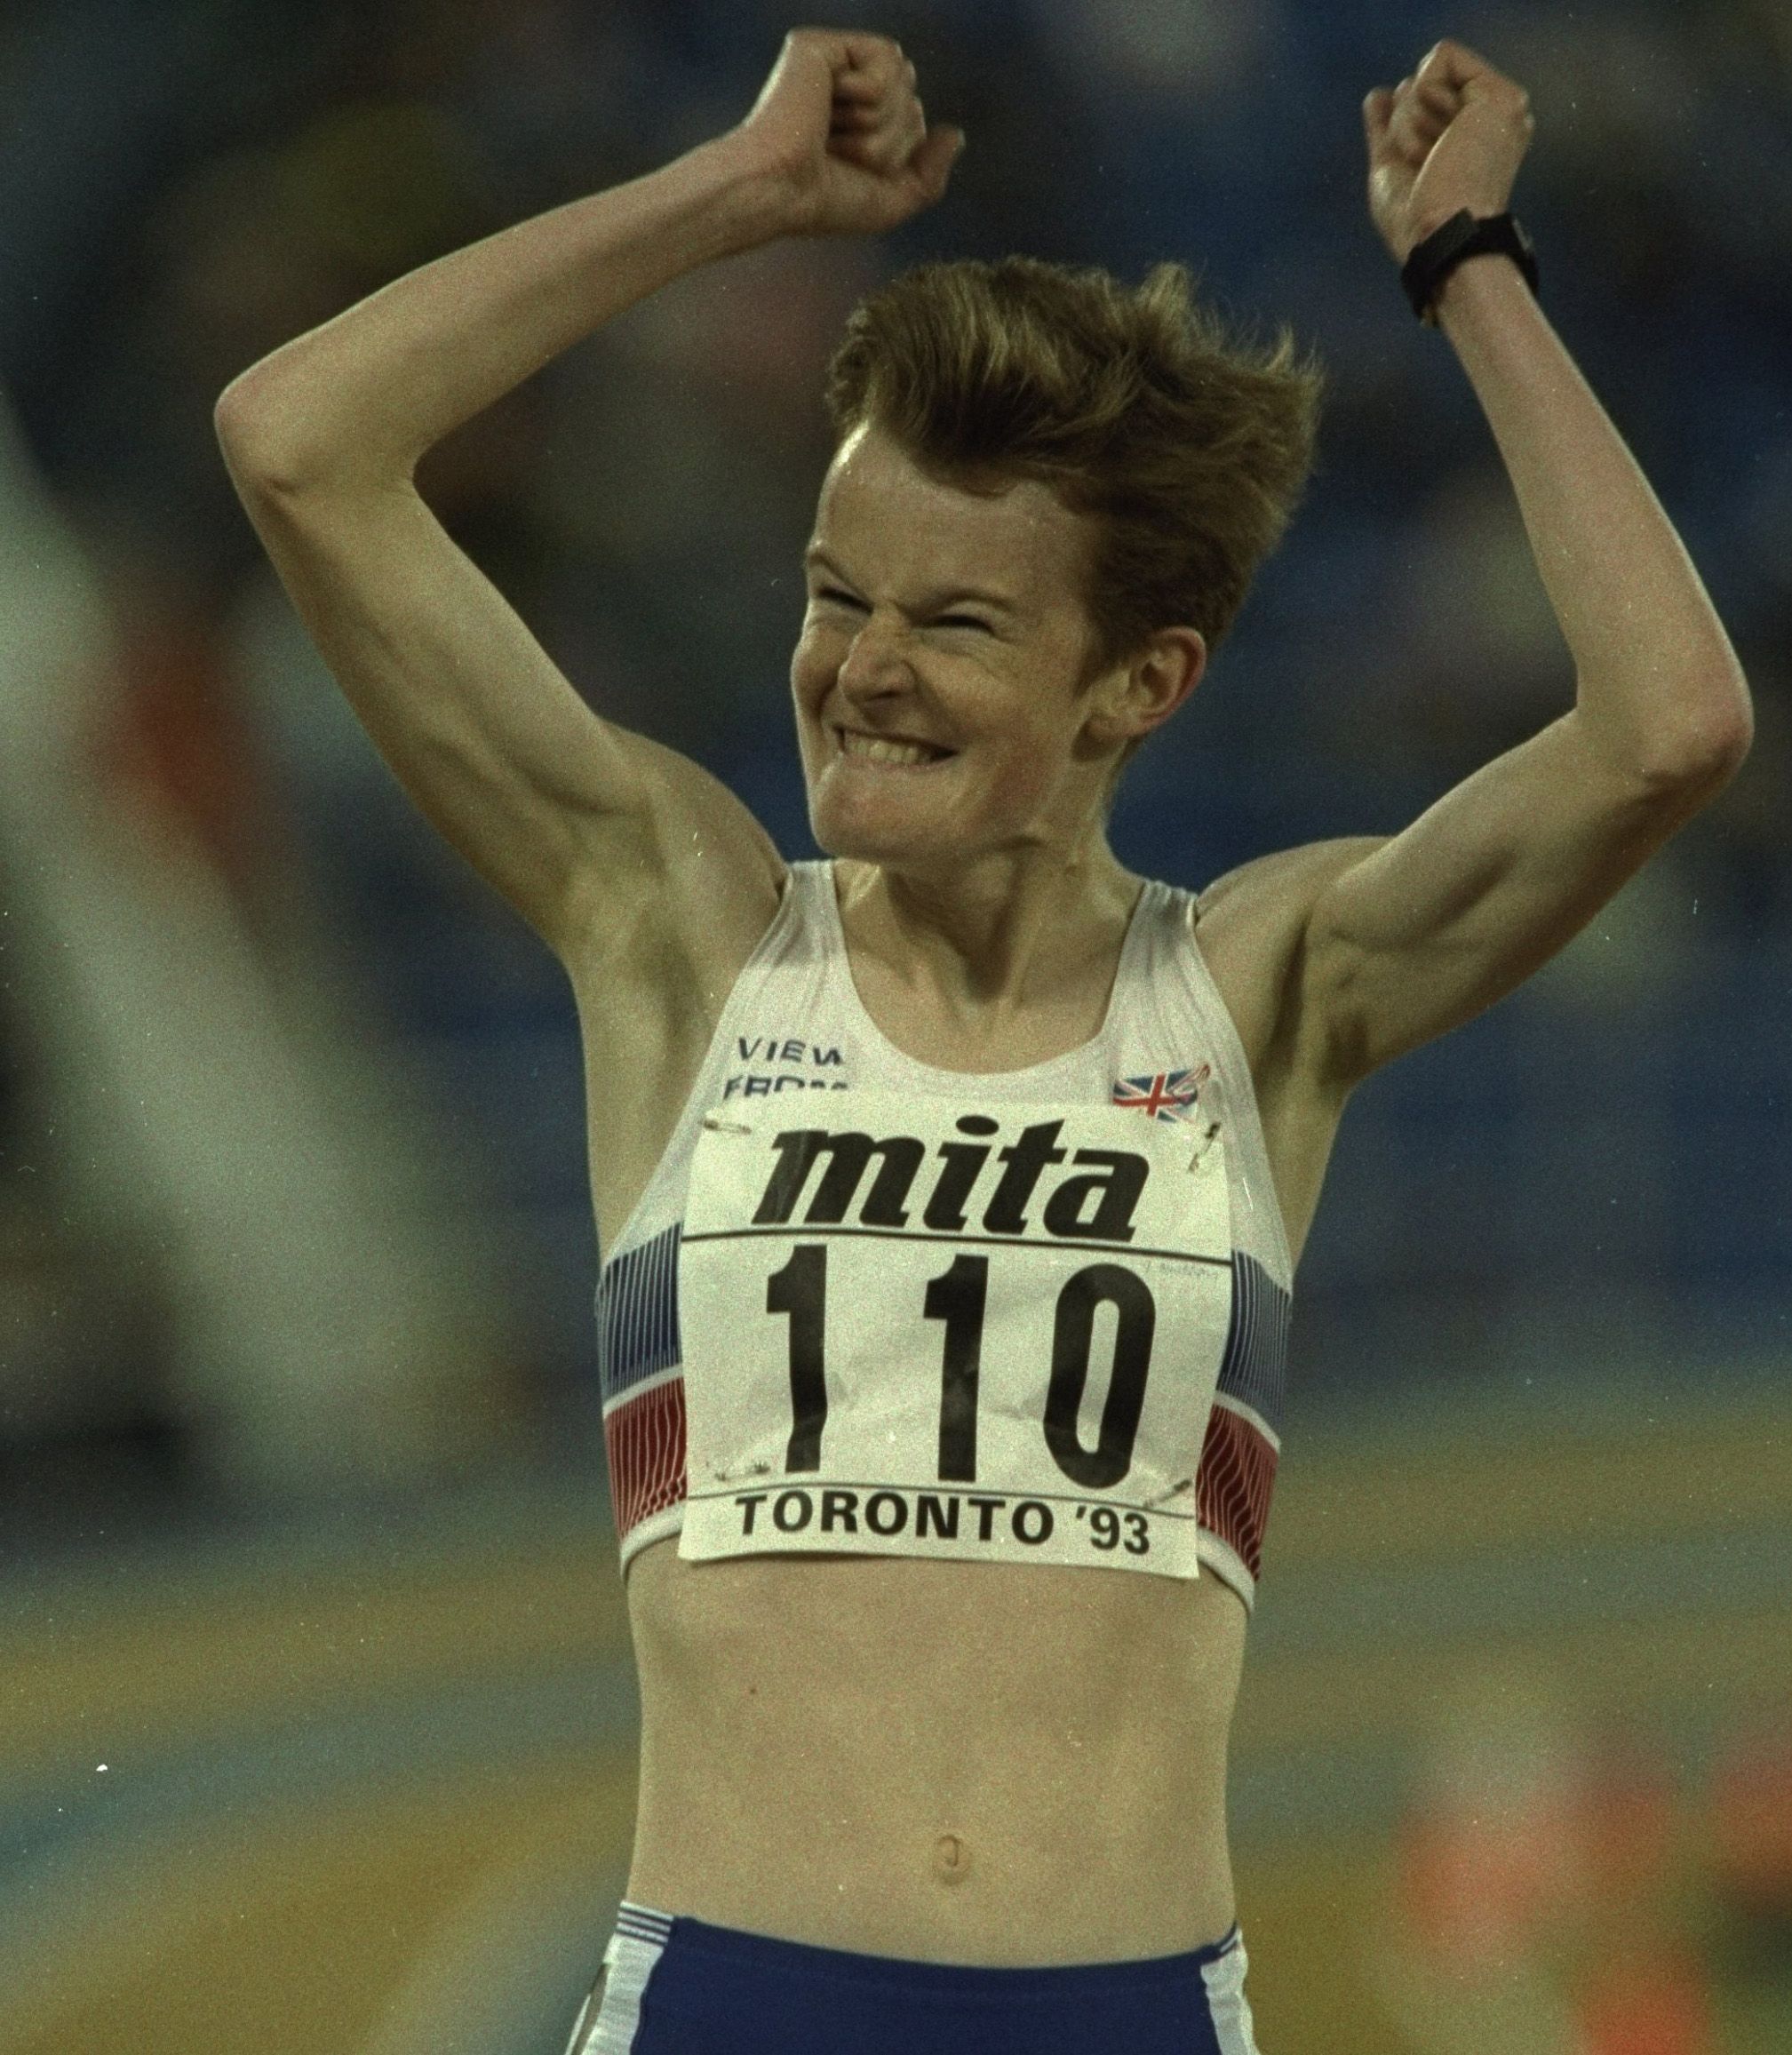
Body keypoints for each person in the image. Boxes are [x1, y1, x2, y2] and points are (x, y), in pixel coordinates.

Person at [214, 28, 1752, 2055]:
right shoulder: (680, 929)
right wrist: (729, 197)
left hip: (1125, 2004)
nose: (858, 670)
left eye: (952, 623)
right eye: (835, 592)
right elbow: (296, 436)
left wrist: (1466, 263)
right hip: (730, 2000)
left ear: (1139, 680)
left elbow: (1668, 724)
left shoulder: (1261, 990)